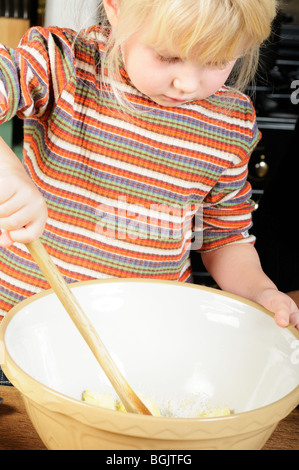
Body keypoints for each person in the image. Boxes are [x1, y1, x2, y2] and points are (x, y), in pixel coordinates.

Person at [0, 0, 298, 383]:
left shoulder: (230, 121)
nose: (188, 84)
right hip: (21, 343)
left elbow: (224, 237)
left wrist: (260, 293)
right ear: (117, 9)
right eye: (168, 56)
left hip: (143, 356)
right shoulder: (65, 64)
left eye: (216, 61)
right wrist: (7, 170)